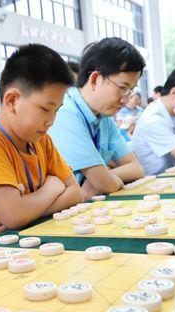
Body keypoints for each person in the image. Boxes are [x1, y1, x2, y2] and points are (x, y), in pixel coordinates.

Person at [0, 44, 82, 245]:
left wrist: (27, 211)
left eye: (57, 110)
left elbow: (76, 193)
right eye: (45, 109)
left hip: (28, 243)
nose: (51, 121)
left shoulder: (42, 140)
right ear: (12, 101)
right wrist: (53, 187)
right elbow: (14, 216)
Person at [49, 37, 145, 199]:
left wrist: (104, 177)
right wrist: (106, 180)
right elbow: (105, 184)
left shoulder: (103, 116)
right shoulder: (65, 112)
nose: (125, 99)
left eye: (130, 90)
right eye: (122, 88)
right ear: (95, 80)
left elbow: (137, 169)